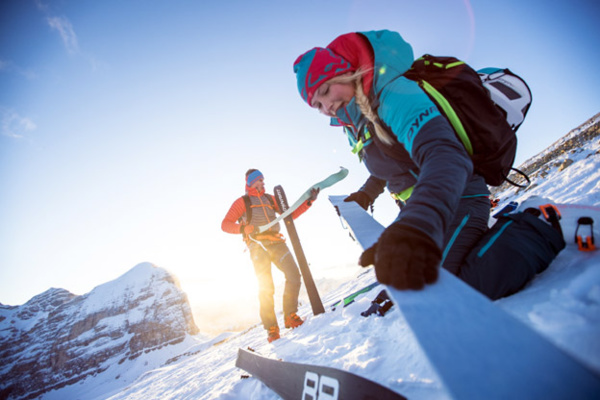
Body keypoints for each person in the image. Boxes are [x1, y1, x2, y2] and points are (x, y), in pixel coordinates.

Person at [293, 30, 492, 292]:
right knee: (412, 281)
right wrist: (366, 194)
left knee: (447, 287)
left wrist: (419, 222)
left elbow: (444, 154)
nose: (326, 106)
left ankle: (540, 226)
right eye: (317, 105)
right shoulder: (355, 121)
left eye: (326, 90)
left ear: (342, 72)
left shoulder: (393, 94)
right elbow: (391, 161)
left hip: (459, 200)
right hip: (422, 209)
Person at [221, 169, 319, 342]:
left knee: (294, 275)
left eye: (263, 180)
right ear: (250, 183)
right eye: (259, 180)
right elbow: (225, 224)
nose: (263, 183)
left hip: (276, 243)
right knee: (266, 286)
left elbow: (290, 215)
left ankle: (290, 315)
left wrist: (308, 202)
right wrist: (243, 229)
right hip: (257, 245)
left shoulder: (269, 199)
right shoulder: (242, 202)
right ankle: (272, 329)